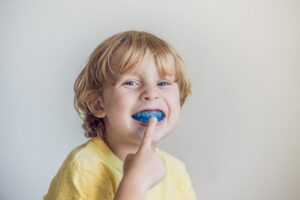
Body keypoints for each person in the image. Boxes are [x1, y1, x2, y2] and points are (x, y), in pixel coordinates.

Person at [43, 30, 196, 200]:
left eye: (163, 83)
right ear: (98, 104)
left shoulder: (177, 171)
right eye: (131, 83)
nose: (151, 93)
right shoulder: (84, 167)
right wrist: (135, 183)